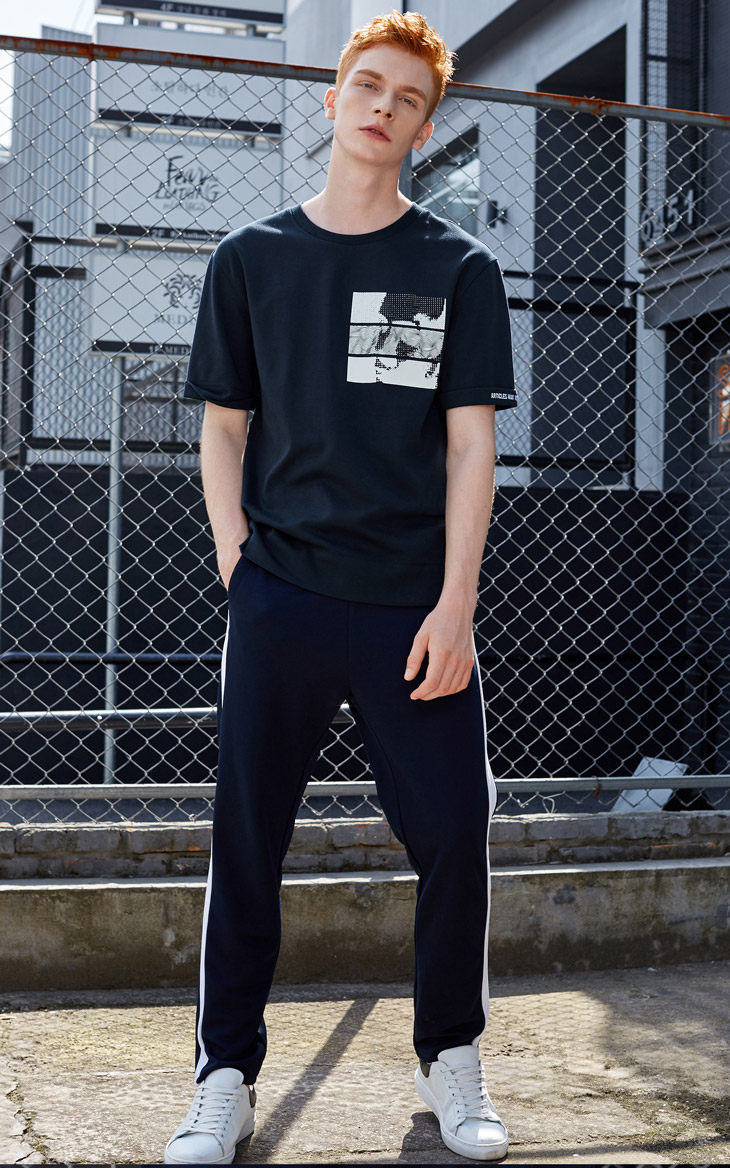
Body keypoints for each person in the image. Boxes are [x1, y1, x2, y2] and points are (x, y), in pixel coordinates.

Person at [164, 8, 517, 1164]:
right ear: (332, 100)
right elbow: (224, 427)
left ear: (424, 128)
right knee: (246, 837)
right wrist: (238, 563)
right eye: (367, 86)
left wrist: (457, 603)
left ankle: (449, 1054)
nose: (382, 107)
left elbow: (470, 446)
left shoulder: (456, 267)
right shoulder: (250, 259)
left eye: (407, 99)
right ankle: (223, 1075)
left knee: (455, 829)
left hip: (414, 604)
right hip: (282, 595)